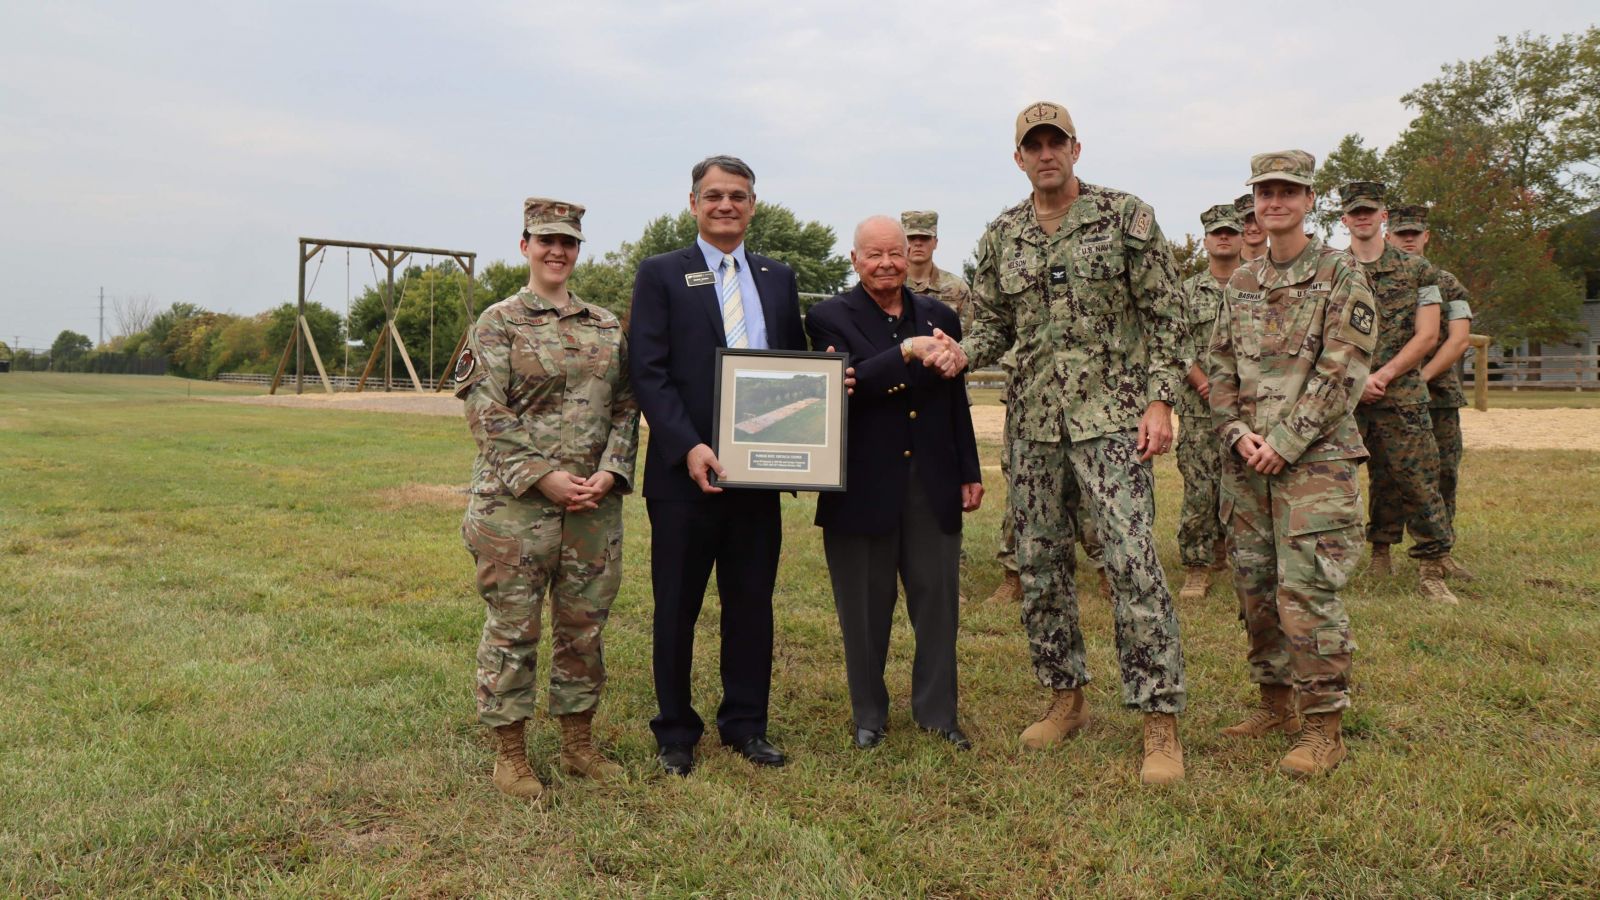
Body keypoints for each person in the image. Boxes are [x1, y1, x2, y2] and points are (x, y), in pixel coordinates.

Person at [950, 100, 1189, 785]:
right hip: (1034, 425)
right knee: (1041, 566)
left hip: (1113, 421)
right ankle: (1066, 697)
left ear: (1076, 150)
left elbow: (1168, 317)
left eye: (1057, 143)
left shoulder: (1126, 217)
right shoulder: (1004, 234)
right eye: (1034, 145)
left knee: (1133, 565)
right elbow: (993, 325)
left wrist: (1160, 399)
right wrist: (957, 355)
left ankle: (1159, 720)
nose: (1046, 154)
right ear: (1019, 158)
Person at [628, 155, 808, 776]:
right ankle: (675, 733)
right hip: (685, 475)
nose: (725, 205)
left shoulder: (778, 277)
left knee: (752, 603)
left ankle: (745, 725)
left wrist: (819, 411)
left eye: (737, 195)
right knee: (677, 606)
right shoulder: (660, 274)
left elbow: (796, 368)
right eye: (713, 196)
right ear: (693, 203)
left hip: (757, 476)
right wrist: (688, 445)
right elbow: (647, 371)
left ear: (753, 204)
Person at [456, 197, 639, 801]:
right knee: (513, 628)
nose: (557, 251)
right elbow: (486, 411)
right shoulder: (498, 322)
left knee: (583, 629)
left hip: (592, 507)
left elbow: (626, 406)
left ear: (578, 249)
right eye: (545, 241)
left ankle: (578, 745)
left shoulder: (607, 325)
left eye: (568, 242)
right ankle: (510, 756)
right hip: (516, 510)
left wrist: (612, 472)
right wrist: (541, 475)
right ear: (525, 245)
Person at [1208, 150, 1375, 778]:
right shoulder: (1242, 283)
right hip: (1248, 463)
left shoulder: (1338, 273)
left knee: (1306, 590)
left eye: (1288, 191)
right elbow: (1219, 366)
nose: (1274, 201)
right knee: (1255, 590)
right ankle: (1275, 705)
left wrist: (1286, 439)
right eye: (1264, 192)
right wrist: (1236, 432)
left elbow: (1345, 368)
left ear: (1310, 201)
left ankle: (1324, 726)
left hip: (1314, 465)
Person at [805, 215, 983, 751]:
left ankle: (938, 713)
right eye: (874, 254)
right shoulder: (828, 317)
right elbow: (851, 386)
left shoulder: (939, 313)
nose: (886, 263)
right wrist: (907, 351)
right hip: (860, 484)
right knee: (863, 609)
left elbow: (955, 397)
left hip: (932, 478)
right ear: (855, 259)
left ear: (910, 257)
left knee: (937, 606)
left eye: (895, 254)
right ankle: (869, 715)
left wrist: (969, 470)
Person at [1339, 182, 1461, 604]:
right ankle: (1356, 558)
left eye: (1370, 210)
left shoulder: (1419, 272)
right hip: (1342, 397)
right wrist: (1356, 380)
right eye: (1355, 212)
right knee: (1330, 482)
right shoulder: (1329, 269)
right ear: (1344, 219)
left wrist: (1385, 375)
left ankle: (1431, 568)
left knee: (1419, 480)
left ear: (1383, 216)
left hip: (1403, 395)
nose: (1363, 217)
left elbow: (1428, 336)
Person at [1388, 205, 1475, 581]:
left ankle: (1441, 552)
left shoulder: (1447, 283)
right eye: (1400, 232)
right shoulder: (1373, 277)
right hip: (1384, 392)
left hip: (1436, 394)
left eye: (1414, 233)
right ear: (1387, 234)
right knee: (1386, 476)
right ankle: (1380, 549)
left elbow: (1458, 339)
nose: (1408, 239)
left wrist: (1420, 378)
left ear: (1426, 236)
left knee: (1441, 474)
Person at [1174, 204, 1243, 601]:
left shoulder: (1258, 285)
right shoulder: (1186, 293)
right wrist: (1203, 384)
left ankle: (1237, 557)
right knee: (1200, 491)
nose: (1223, 238)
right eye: (1216, 232)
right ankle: (1197, 568)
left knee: (1243, 489)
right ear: (1205, 240)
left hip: (1247, 408)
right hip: (1200, 410)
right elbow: (1176, 344)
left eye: (1231, 232)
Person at [903, 210, 979, 331]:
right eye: (911, 238)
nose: (918, 243)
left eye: (925, 238)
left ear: (935, 243)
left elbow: (968, 337)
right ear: (903, 243)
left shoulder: (957, 289)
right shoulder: (891, 286)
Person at [1235, 193, 1268, 262]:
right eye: (1247, 221)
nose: (1254, 228)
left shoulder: (1284, 262)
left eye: (1259, 220)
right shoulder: (1225, 265)